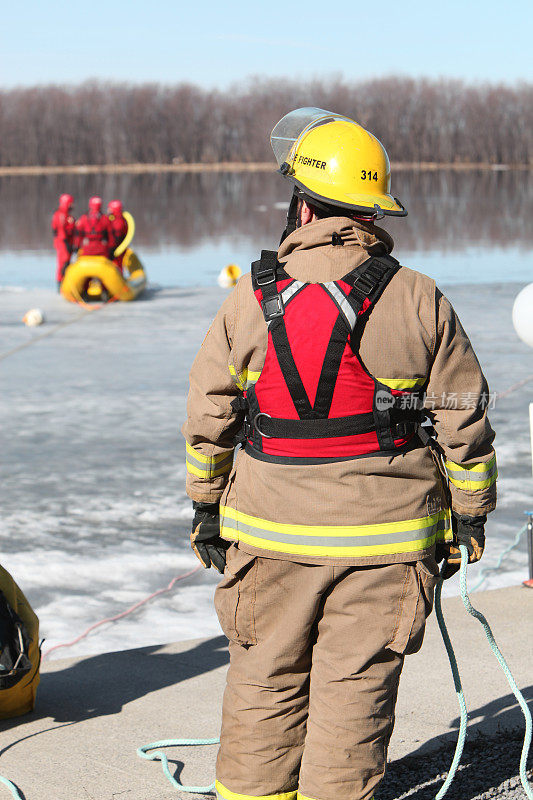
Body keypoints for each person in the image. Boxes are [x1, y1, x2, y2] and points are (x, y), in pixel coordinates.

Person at [182, 108, 497, 800]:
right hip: (384, 541)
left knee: (264, 678)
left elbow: (210, 415)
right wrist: (469, 516)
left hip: (267, 535)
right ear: (372, 211)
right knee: (354, 692)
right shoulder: (418, 297)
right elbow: (461, 416)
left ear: (302, 203)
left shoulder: (248, 297)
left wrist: (206, 507)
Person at [51, 193, 76, 288]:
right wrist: (66, 244)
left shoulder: (67, 216)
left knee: (67, 262)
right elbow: (61, 230)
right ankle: (60, 284)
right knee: (63, 262)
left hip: (67, 242)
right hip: (62, 242)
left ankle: (65, 283)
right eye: (71, 203)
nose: (72, 206)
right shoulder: (60, 215)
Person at [107, 199, 128, 272]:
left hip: (116, 249)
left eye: (109, 208)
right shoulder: (120, 220)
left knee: (116, 266)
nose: (108, 210)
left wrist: (111, 248)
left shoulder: (118, 221)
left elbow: (117, 236)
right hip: (117, 249)